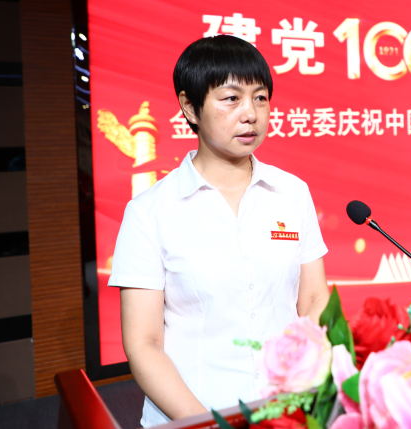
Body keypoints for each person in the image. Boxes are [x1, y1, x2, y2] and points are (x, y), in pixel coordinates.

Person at [107, 35, 330, 427]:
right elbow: (144, 344)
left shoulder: (292, 193)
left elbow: (312, 300)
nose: (251, 114)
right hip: (194, 417)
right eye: (231, 99)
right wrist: (208, 423)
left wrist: (311, 394)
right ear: (189, 107)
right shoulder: (149, 212)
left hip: (287, 413)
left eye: (260, 98)